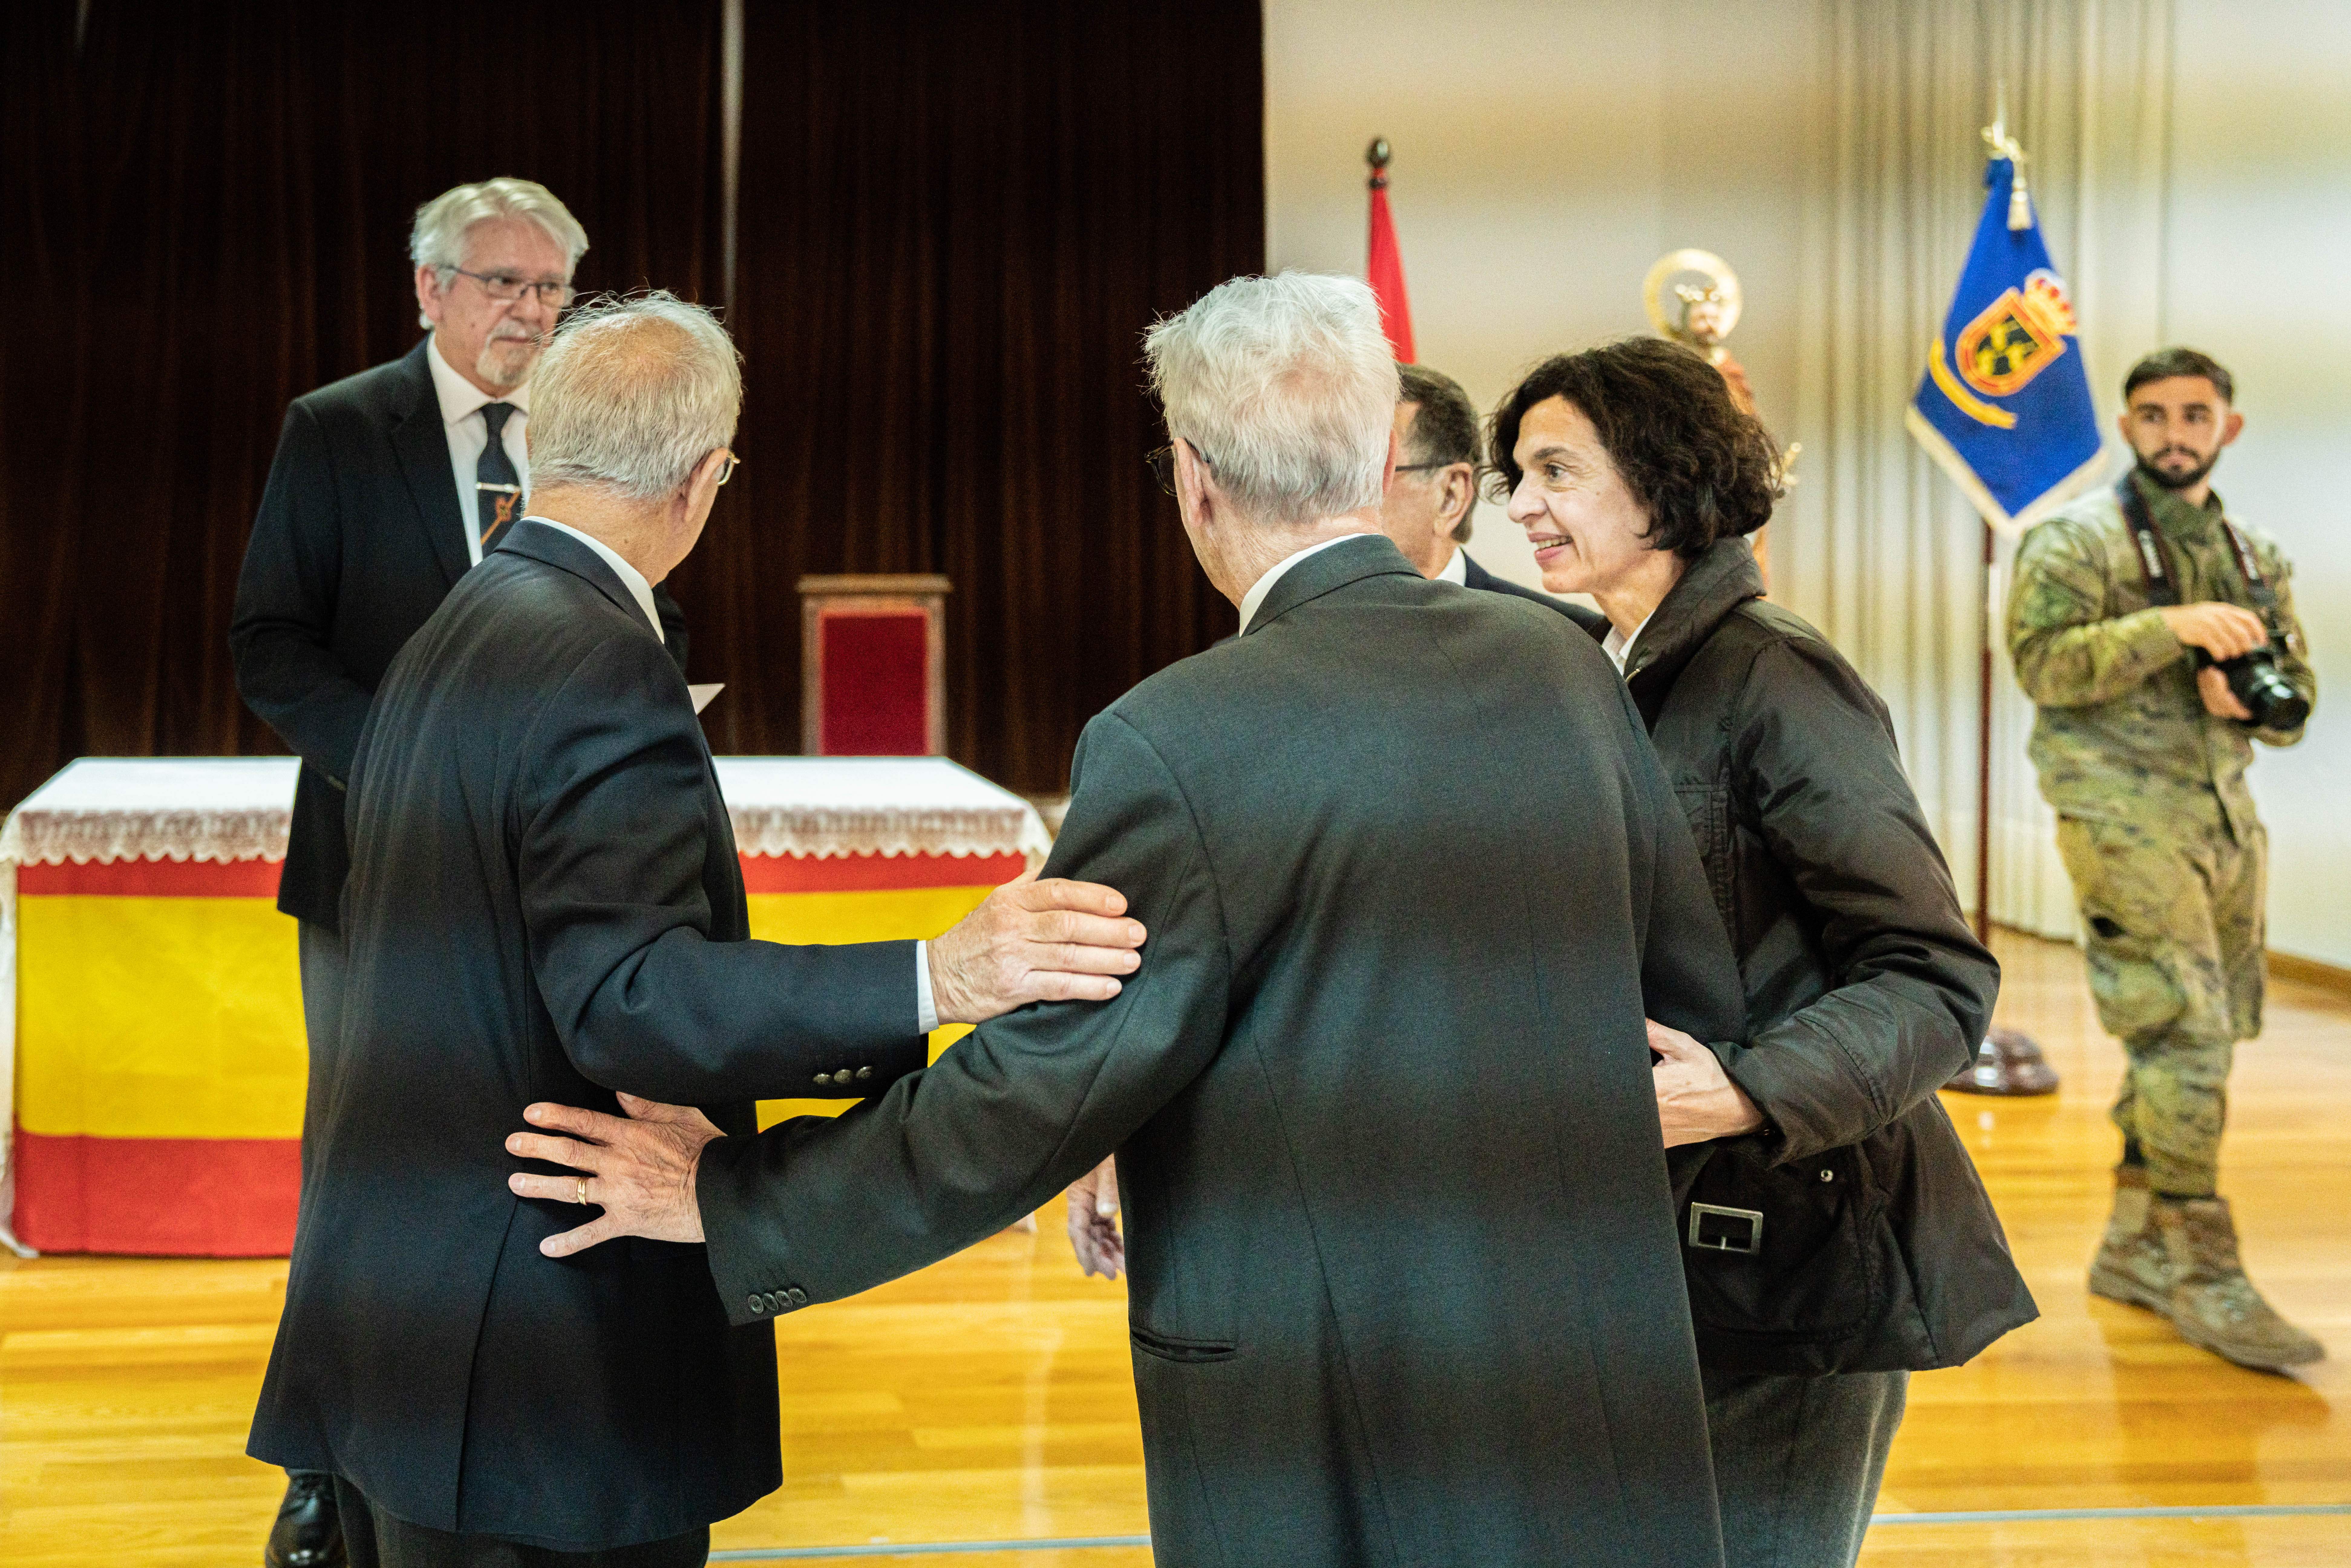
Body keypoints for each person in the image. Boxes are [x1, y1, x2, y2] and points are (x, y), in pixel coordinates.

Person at [514, 273, 1753, 1567]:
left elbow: (1030, 1097)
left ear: (1192, 481)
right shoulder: (1562, 664)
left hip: (1327, 1405)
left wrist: (730, 1197)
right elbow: (1683, 1002)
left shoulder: (1174, 739)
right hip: (1593, 1360)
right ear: (1382, 457)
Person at [245, 293, 1149, 1566]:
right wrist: (935, 973)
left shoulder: (455, 622)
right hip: (543, 1348)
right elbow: (629, 998)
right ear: (702, 476)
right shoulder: (600, 657)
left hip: (413, 1315)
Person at [1490, 338, 2035, 1568]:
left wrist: (1744, 1087)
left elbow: (1934, 977)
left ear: (1661, 478)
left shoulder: (1774, 673)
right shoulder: (1604, 668)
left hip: (1785, 1249)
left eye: (1554, 471)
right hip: (1648, 1246)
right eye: (1515, 475)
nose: (1519, 506)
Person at [230, 175, 671, 1568]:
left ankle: (522, 1428)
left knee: (529, 1152)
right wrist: (412, 760)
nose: (533, 315)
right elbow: (272, 642)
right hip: (374, 874)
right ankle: (326, 1468)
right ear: (429, 290)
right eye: (505, 285)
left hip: (547, 878)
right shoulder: (338, 429)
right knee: (365, 1173)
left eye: (553, 290)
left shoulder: (585, 437)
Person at [2008, 346, 2321, 1371]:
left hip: (2223, 817)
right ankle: (2200, 1260)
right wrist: (2166, 628)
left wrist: (2252, 702)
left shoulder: (2253, 551)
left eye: (2195, 414)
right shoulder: (2075, 539)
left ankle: (2134, 1242)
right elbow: (2042, 664)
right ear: (2127, 425)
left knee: (2209, 1021)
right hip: (2117, 809)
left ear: (2227, 426)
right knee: (2181, 1026)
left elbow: (2295, 697)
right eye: (2153, 414)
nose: (2174, 432)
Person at [1377, 361, 1609, 631]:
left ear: (1450, 496)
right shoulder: (1317, 628)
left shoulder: (1567, 639)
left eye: (1367, 475)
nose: (1331, 498)